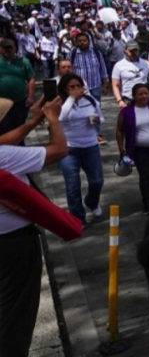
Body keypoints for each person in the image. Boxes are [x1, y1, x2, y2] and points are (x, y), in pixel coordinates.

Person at [0, 96, 66, 356]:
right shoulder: (5, 157)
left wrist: (33, 121)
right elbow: (59, 149)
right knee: (16, 310)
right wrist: (52, 118)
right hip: (13, 243)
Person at [56, 73, 105, 224]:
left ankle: (91, 201)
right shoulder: (60, 103)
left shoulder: (90, 100)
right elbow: (61, 117)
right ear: (65, 89)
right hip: (69, 149)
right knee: (72, 185)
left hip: (90, 146)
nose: (76, 89)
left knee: (97, 181)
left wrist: (96, 120)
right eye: (72, 87)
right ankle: (78, 219)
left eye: (79, 86)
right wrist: (72, 98)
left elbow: (101, 118)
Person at [116, 83, 149, 213]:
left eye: (146, 93)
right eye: (140, 94)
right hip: (139, 150)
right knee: (145, 175)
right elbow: (120, 130)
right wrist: (121, 149)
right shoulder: (126, 112)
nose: (144, 96)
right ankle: (147, 201)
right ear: (134, 96)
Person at [0, 38, 35, 135]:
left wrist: (31, 96)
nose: (7, 50)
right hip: (2, 103)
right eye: (4, 48)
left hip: (20, 101)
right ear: (0, 49)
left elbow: (31, 79)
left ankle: (19, 146)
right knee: (3, 128)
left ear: (15, 48)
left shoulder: (24, 62)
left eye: (10, 47)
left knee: (19, 127)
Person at [110, 41, 149, 109]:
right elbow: (115, 85)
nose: (134, 53)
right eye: (131, 51)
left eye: (136, 50)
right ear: (125, 51)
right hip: (128, 100)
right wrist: (119, 101)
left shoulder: (146, 64)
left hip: (144, 99)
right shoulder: (118, 66)